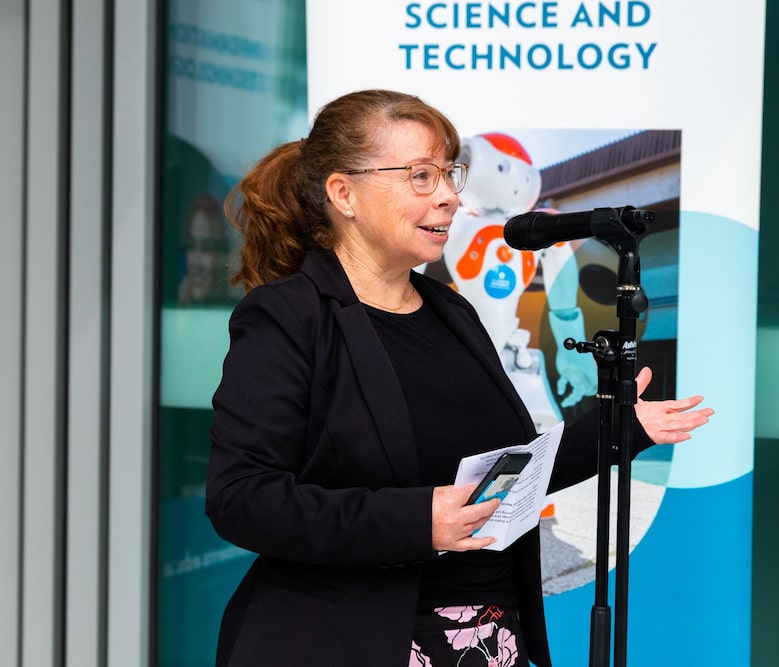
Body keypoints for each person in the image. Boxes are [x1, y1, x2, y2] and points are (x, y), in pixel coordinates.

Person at [204, 89, 713, 667]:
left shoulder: (451, 311)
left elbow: (503, 480)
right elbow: (241, 498)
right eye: (421, 176)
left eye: (449, 174)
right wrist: (418, 521)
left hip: (491, 639)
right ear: (343, 193)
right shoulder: (288, 316)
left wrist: (620, 428)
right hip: (359, 640)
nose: (447, 196)